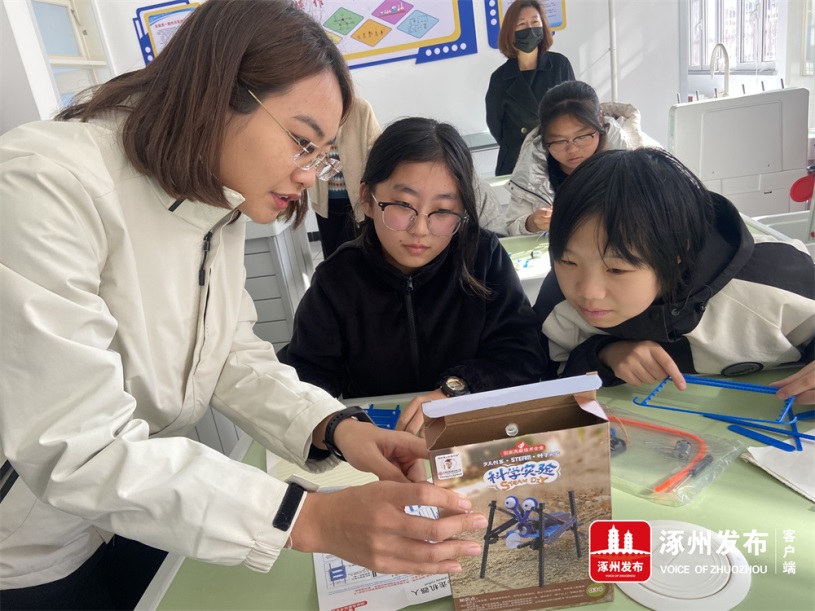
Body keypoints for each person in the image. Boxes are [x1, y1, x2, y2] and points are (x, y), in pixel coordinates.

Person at [0, 2, 488, 608]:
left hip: (138, 508)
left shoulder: (214, 200)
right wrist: (309, 518)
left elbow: (230, 354)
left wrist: (336, 427)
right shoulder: (44, 182)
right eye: (302, 142)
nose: (310, 175)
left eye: (322, 154)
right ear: (218, 94)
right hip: (26, 544)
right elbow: (78, 448)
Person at [279, 117, 548, 434]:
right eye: (403, 205)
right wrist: (334, 426)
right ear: (367, 199)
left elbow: (523, 354)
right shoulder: (337, 278)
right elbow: (308, 375)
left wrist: (456, 389)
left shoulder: (483, 256)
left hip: (468, 430)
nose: (420, 229)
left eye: (443, 210)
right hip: (380, 438)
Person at [533, 148, 815, 404]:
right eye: (567, 261)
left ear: (676, 253)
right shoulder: (557, 302)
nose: (587, 291)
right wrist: (604, 355)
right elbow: (545, 380)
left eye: (617, 269)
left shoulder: (774, 280)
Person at [505, 80, 660, 235]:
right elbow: (511, 228)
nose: (572, 149)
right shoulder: (532, 167)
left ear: (600, 119)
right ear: (544, 136)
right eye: (559, 141)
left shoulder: (643, 156)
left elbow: (661, 215)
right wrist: (530, 224)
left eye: (582, 136)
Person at [485, 0, 574, 177]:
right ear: (510, 31)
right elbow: (496, 127)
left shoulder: (559, 65)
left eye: (535, 22)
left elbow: (573, 112)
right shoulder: (499, 78)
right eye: (521, 24)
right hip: (517, 163)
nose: (530, 28)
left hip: (557, 159)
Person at [308, 96, 381, 258]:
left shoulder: (360, 108)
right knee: (333, 253)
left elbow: (376, 149)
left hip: (358, 198)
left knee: (364, 252)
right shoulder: (309, 108)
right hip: (325, 199)